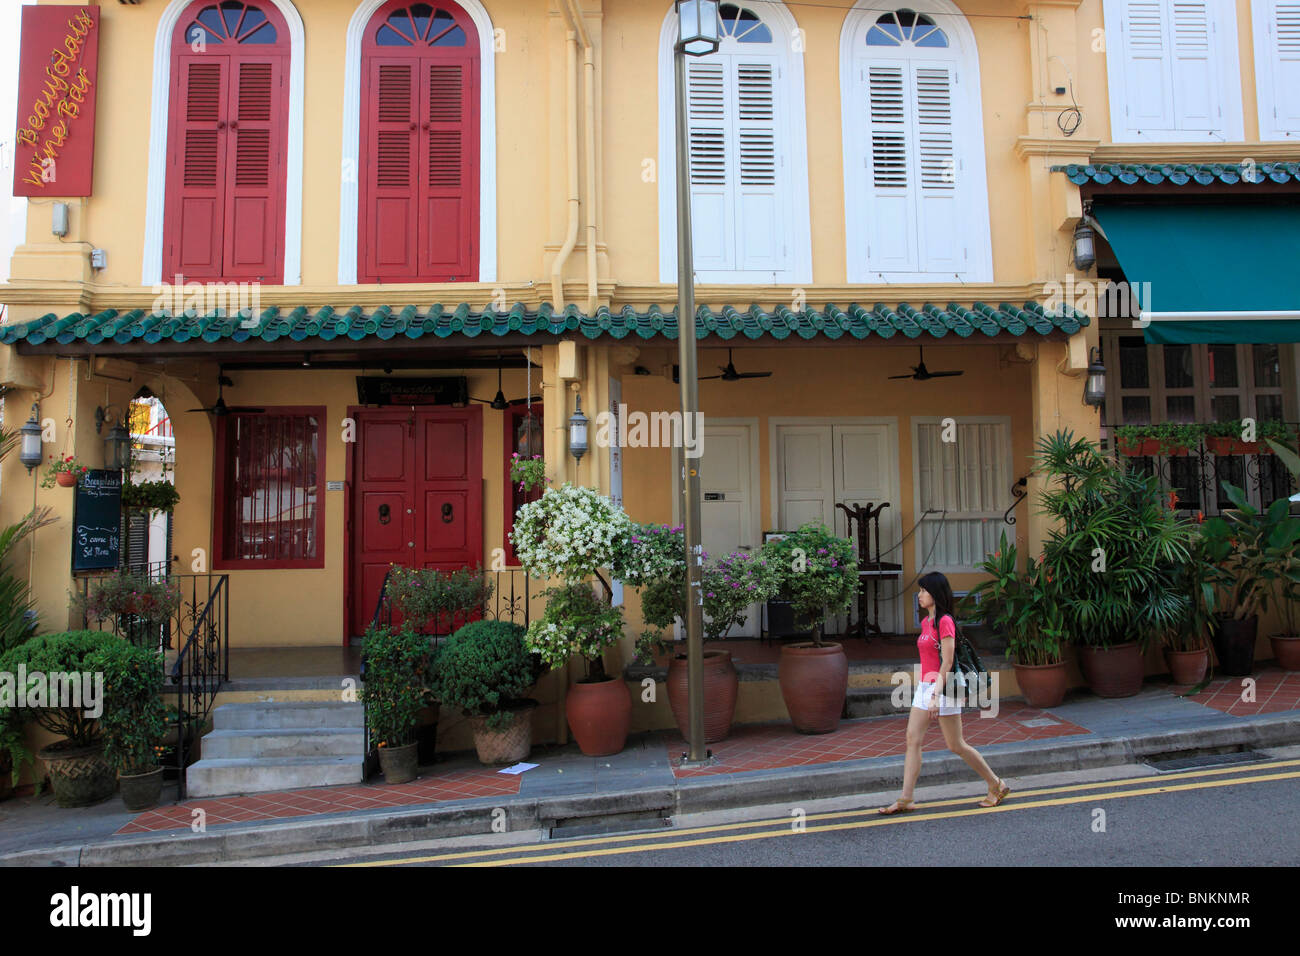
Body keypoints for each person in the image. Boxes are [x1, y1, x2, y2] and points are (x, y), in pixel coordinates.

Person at [878, 571, 1010, 814]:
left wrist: (936, 696)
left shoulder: (945, 621)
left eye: (924, 591)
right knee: (912, 738)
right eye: (920, 591)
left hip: (944, 687)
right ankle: (906, 798)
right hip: (925, 686)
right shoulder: (926, 622)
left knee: (956, 744)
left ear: (936, 594)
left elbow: (947, 662)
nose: (919, 595)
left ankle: (996, 784)